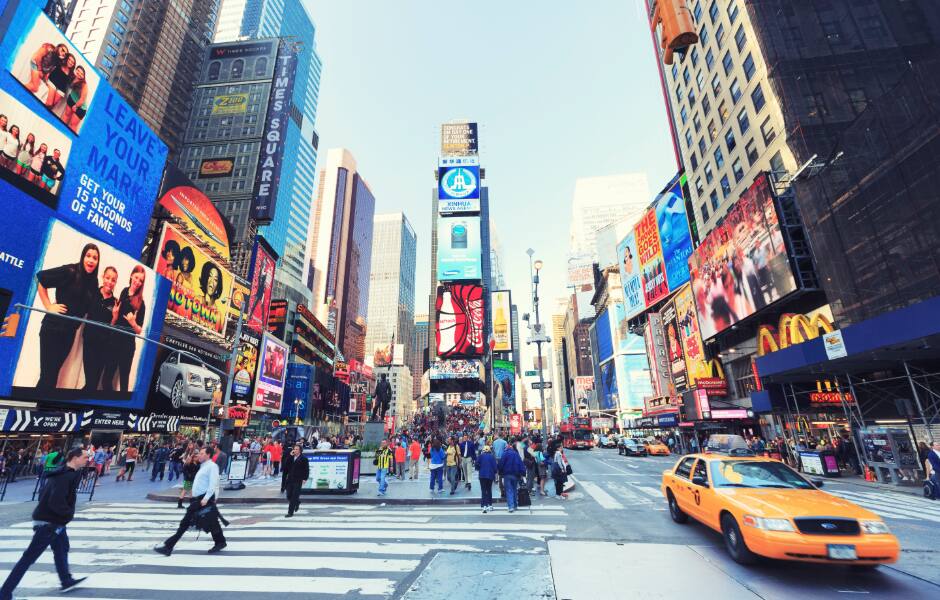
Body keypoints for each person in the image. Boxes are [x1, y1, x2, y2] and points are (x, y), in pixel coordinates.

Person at [0, 448, 88, 600]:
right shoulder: (64, 476)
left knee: (62, 548)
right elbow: (56, 500)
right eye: (85, 457)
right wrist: (67, 515)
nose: (88, 459)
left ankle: (66, 580)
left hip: (54, 521)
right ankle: (4, 593)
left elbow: (44, 495)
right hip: (49, 523)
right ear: (75, 458)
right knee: (28, 558)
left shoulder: (65, 474)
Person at [35, 244, 99, 390]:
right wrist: (49, 306)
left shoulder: (93, 283)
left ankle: (36, 408)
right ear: (83, 257)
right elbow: (40, 278)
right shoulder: (70, 271)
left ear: (97, 262)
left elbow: (92, 309)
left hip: (69, 333)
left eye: (95, 258)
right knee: (48, 377)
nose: (91, 260)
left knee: (51, 376)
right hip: (52, 328)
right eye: (88, 256)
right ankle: (32, 409)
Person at [105, 266, 146, 392]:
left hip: (127, 346)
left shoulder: (141, 303)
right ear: (131, 276)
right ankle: (108, 405)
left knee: (123, 381)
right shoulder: (124, 291)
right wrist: (115, 314)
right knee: (106, 379)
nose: (137, 282)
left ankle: (121, 410)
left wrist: (133, 323)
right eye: (136, 278)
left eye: (141, 280)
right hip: (114, 340)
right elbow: (117, 315)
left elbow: (139, 330)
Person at [498, 438, 526, 513]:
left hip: (507, 474)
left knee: (509, 490)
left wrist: (500, 472)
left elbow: (501, 464)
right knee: (514, 489)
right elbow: (521, 464)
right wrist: (523, 473)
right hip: (515, 474)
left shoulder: (505, 454)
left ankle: (511, 506)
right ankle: (515, 505)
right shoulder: (516, 454)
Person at [284, 444, 309, 517]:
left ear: (300, 451)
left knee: (294, 496)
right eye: (294, 449)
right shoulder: (291, 457)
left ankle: (290, 512)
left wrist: (305, 478)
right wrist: (290, 456)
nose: (295, 450)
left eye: (296, 449)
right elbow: (286, 466)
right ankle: (297, 502)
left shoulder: (304, 459)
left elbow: (306, 470)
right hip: (290, 479)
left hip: (298, 480)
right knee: (289, 495)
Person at [477, 445, 497, 513]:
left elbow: (476, 465)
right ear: (489, 450)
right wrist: (494, 472)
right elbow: (495, 467)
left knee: (483, 490)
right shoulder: (492, 457)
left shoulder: (480, 456)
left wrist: (480, 468)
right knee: (489, 490)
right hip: (490, 476)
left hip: (482, 475)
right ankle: (490, 505)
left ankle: (484, 505)